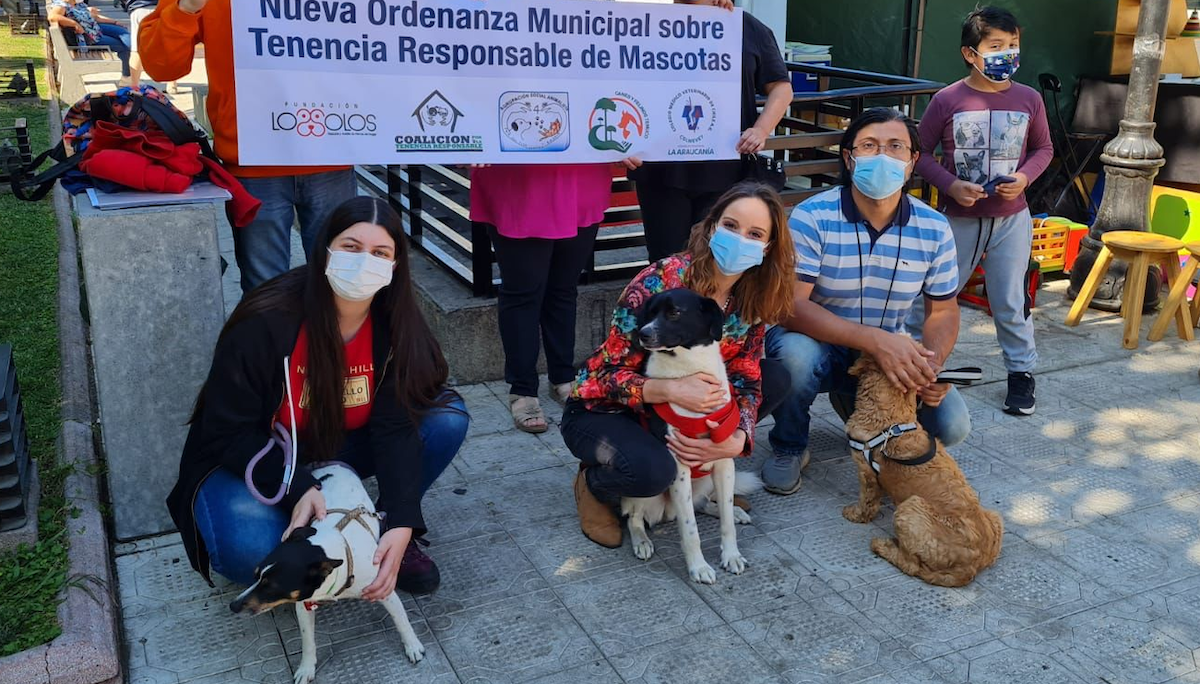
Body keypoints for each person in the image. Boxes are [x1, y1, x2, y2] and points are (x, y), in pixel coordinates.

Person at [167, 197, 469, 597]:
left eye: (380, 253)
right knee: (250, 552)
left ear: (394, 267)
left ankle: (378, 530)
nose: (364, 262)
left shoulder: (398, 326)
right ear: (323, 249)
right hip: (255, 453)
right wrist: (295, 484)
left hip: (338, 444)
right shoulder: (266, 320)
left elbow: (396, 425)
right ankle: (307, 515)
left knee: (446, 418)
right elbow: (226, 430)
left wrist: (402, 517)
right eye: (350, 247)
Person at [562, 182, 796, 547]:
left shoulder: (753, 293)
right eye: (731, 226)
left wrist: (736, 440)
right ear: (711, 224)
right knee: (653, 471)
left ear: (767, 247)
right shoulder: (662, 281)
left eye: (755, 234)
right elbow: (595, 379)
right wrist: (667, 389)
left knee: (776, 376)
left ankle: (701, 470)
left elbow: (747, 379)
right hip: (609, 412)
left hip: (677, 414)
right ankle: (596, 486)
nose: (739, 239)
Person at [763, 108, 971, 495]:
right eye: (869, 146)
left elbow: (943, 310)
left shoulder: (934, 227)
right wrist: (875, 341)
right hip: (821, 343)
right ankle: (789, 446)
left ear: (912, 163)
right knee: (794, 356)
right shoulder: (812, 216)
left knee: (952, 426)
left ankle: (865, 414)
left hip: (884, 355)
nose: (882, 156)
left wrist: (931, 366)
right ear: (849, 157)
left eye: (896, 147)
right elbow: (789, 307)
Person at [140, 0, 357, 293]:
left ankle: (330, 340)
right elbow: (161, 66)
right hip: (254, 159)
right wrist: (187, 7)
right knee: (265, 292)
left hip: (331, 153)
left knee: (342, 286)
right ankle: (275, 340)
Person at [907, 6, 1052, 416]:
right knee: (936, 296)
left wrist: (1024, 177)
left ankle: (1021, 373)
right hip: (956, 219)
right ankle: (920, 367)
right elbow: (920, 153)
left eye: (1013, 45)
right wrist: (950, 184)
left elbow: (1044, 149)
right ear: (970, 53)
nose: (1007, 54)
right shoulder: (947, 99)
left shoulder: (1030, 99)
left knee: (1009, 298)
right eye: (996, 46)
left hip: (1012, 218)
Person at [630, 0, 793, 263]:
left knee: (716, 261)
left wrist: (761, 129)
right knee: (666, 264)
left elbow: (781, 88)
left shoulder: (745, 27)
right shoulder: (645, 24)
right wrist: (622, 141)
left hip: (725, 172)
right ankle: (670, 307)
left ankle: (711, 306)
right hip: (660, 171)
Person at [471, 164, 611, 433]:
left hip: (580, 177)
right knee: (523, 292)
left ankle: (563, 377)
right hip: (518, 180)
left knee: (564, 288)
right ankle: (522, 389)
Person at [49, 0, 137, 87]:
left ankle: (136, 54)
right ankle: (129, 74)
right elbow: (52, 17)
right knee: (123, 46)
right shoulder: (61, 5)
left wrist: (115, 22)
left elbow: (95, 18)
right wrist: (74, 24)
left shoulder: (77, 4)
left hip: (95, 29)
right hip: (88, 38)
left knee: (123, 31)